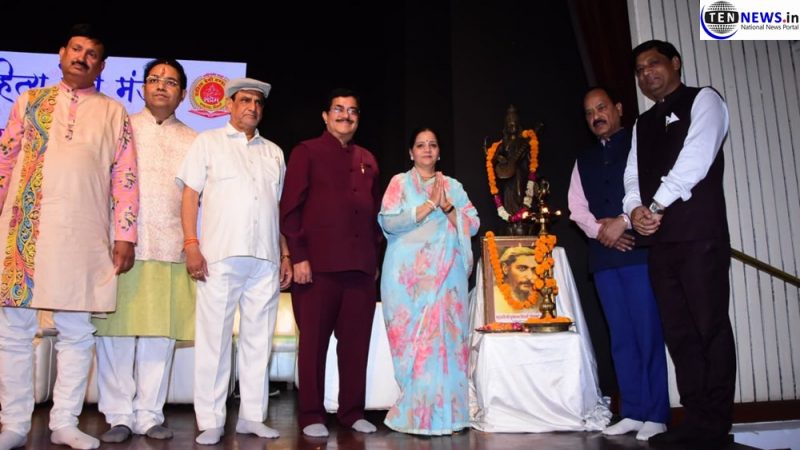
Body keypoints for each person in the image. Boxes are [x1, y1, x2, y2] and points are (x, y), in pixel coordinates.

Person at [0, 24, 138, 450]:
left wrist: (126, 234)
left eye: (91, 53)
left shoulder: (114, 112)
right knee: (15, 331)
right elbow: (5, 161)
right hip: (25, 229)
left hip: (84, 231)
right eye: (76, 49)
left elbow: (126, 177)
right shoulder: (30, 101)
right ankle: (13, 424)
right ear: (61, 55)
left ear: (102, 65)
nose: (82, 57)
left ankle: (64, 422)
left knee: (77, 330)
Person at [623, 40, 734, 447]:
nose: (646, 73)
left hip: (699, 236)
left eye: (653, 63)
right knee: (679, 333)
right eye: (639, 69)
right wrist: (634, 209)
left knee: (709, 327)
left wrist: (655, 204)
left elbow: (696, 159)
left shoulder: (705, 100)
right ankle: (695, 419)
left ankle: (715, 424)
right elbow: (631, 176)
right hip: (660, 244)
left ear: (675, 63)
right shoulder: (641, 123)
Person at [177, 77, 292, 445]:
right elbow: (190, 196)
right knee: (214, 339)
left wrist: (284, 254)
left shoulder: (274, 152)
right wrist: (191, 244)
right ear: (230, 104)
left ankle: (252, 416)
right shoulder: (208, 142)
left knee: (259, 340)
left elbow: (277, 208)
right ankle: (210, 420)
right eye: (245, 100)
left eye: (258, 103)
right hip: (220, 256)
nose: (252, 108)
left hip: (265, 258)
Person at [91, 58, 197, 443]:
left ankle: (150, 415)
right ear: (143, 88)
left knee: (159, 337)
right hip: (120, 246)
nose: (161, 86)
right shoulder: (122, 128)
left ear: (182, 94)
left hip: (170, 246)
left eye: (170, 82)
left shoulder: (195, 140)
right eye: (154, 79)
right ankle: (118, 415)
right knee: (115, 335)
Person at [279, 88, 382, 438]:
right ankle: (311, 413)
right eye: (338, 109)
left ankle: (352, 412)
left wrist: (373, 258)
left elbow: (373, 214)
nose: (345, 116)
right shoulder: (306, 152)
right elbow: (290, 209)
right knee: (313, 344)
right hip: (316, 267)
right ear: (325, 116)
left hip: (360, 268)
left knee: (355, 345)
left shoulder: (368, 159)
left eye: (352, 110)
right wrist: (299, 256)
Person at [568, 87, 669, 441]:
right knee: (621, 337)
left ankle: (657, 414)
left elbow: (655, 192)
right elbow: (576, 208)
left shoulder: (641, 145)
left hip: (640, 253)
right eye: (589, 112)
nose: (596, 116)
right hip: (604, 258)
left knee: (648, 333)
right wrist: (602, 231)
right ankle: (633, 411)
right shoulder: (583, 159)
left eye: (601, 108)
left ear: (619, 108)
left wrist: (623, 223)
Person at [378, 127, 479, 435]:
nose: (426, 149)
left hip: (446, 279)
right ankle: (415, 415)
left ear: (439, 152)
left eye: (432, 145)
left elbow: (473, 224)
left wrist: (446, 206)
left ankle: (450, 416)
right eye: (420, 145)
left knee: (447, 343)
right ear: (411, 152)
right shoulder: (399, 183)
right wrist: (429, 206)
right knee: (413, 348)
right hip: (407, 282)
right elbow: (389, 220)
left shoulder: (453, 187)